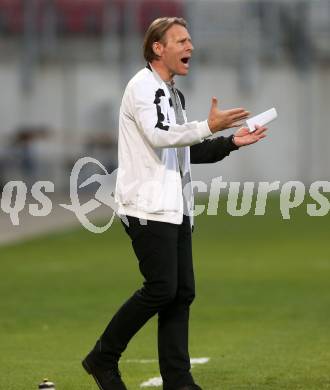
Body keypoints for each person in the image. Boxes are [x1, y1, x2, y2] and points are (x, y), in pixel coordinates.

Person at [82, 17, 267, 390]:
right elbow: (160, 137)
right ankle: (103, 358)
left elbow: (185, 151)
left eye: (189, 41)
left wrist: (230, 142)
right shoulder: (143, 87)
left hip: (175, 207)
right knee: (162, 288)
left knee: (181, 293)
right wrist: (209, 126)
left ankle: (178, 381)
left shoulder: (171, 94)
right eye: (181, 40)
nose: (190, 47)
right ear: (157, 47)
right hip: (147, 207)